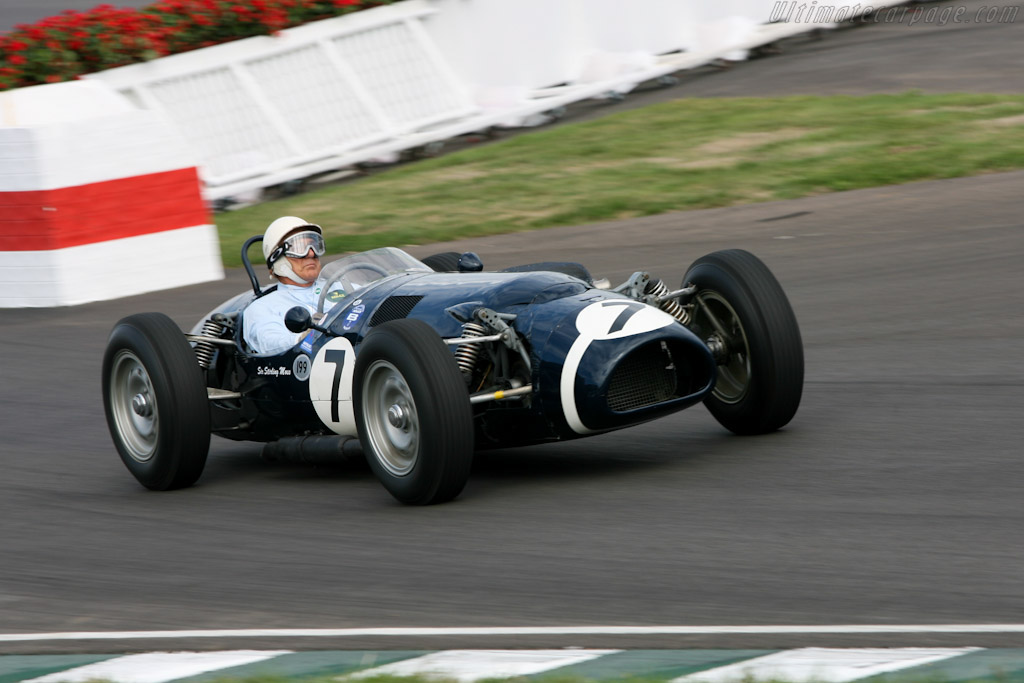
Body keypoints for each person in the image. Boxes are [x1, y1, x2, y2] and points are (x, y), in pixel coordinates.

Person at [242, 216, 342, 355]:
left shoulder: (344, 286)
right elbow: (269, 342)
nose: (312, 252)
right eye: (300, 247)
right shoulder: (262, 307)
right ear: (277, 258)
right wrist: (303, 338)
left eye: (314, 244)